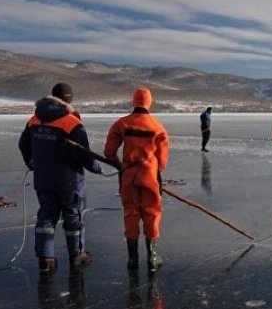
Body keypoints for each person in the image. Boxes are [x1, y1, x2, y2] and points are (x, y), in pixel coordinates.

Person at [18, 82, 102, 272]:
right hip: (69, 181)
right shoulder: (72, 122)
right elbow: (84, 154)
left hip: (43, 180)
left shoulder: (34, 120)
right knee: (73, 217)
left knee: (46, 216)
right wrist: (97, 168)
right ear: (69, 100)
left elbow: (23, 145)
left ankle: (46, 258)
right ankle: (77, 255)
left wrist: (31, 163)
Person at [105, 87, 169, 270]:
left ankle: (132, 259)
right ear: (149, 103)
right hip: (149, 175)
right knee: (152, 212)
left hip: (129, 175)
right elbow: (162, 159)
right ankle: (152, 257)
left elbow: (109, 152)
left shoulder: (121, 124)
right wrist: (156, 169)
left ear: (134, 101)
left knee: (131, 213)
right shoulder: (157, 126)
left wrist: (120, 165)